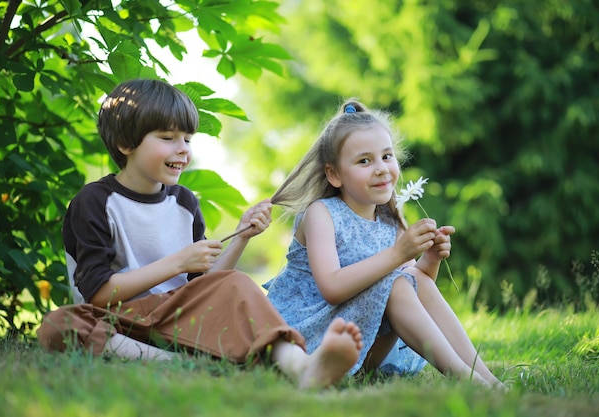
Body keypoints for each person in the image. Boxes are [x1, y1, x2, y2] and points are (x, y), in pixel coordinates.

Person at [36, 79, 363, 389]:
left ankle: (302, 366)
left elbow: (205, 287)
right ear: (125, 144)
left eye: (187, 140)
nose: (183, 150)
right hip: (119, 320)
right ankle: (175, 361)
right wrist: (177, 263)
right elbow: (98, 295)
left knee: (236, 283)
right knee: (59, 325)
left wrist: (241, 238)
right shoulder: (94, 202)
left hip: (174, 318)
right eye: (167, 138)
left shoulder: (184, 203)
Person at [264, 99, 505, 388]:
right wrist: (398, 254)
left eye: (387, 156)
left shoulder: (390, 219)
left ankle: (486, 376)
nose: (380, 169)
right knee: (397, 280)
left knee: (410, 277)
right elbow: (332, 288)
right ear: (334, 174)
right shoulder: (321, 214)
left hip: (364, 345)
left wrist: (430, 259)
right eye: (364, 161)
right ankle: (468, 381)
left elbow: (416, 285)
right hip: (313, 339)